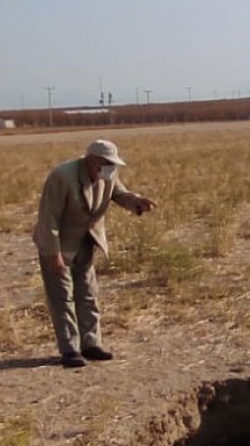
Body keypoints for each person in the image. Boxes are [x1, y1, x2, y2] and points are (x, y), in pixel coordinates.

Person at [32, 139, 157, 368]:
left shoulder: (107, 174)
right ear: (90, 160)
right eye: (106, 163)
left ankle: (91, 344)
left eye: (113, 164)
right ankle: (70, 350)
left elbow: (119, 193)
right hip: (59, 243)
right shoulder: (62, 177)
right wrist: (53, 253)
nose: (111, 168)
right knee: (62, 297)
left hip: (86, 242)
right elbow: (48, 218)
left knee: (88, 293)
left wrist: (136, 202)